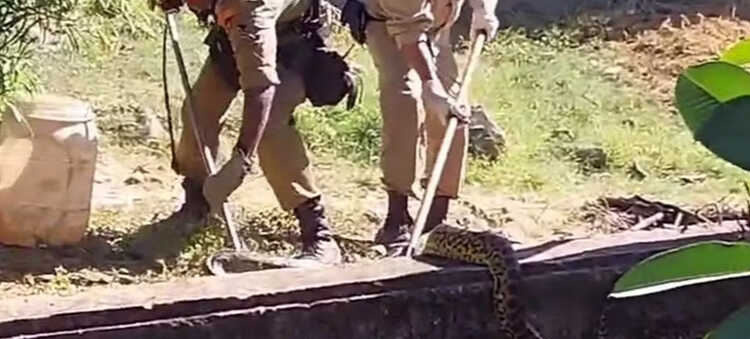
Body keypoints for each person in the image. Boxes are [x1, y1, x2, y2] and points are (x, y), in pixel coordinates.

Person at [139, 0, 358, 267]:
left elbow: (261, 89)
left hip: (291, 45)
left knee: (269, 127)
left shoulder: (247, 6)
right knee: (198, 112)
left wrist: (241, 160)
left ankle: (318, 234)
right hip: (235, 39)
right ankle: (197, 203)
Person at [340, 0, 498, 255]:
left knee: (455, 109)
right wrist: (429, 85)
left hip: (437, 24)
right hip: (390, 27)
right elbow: (410, 34)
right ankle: (397, 217)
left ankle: (437, 220)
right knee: (405, 101)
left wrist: (483, 9)